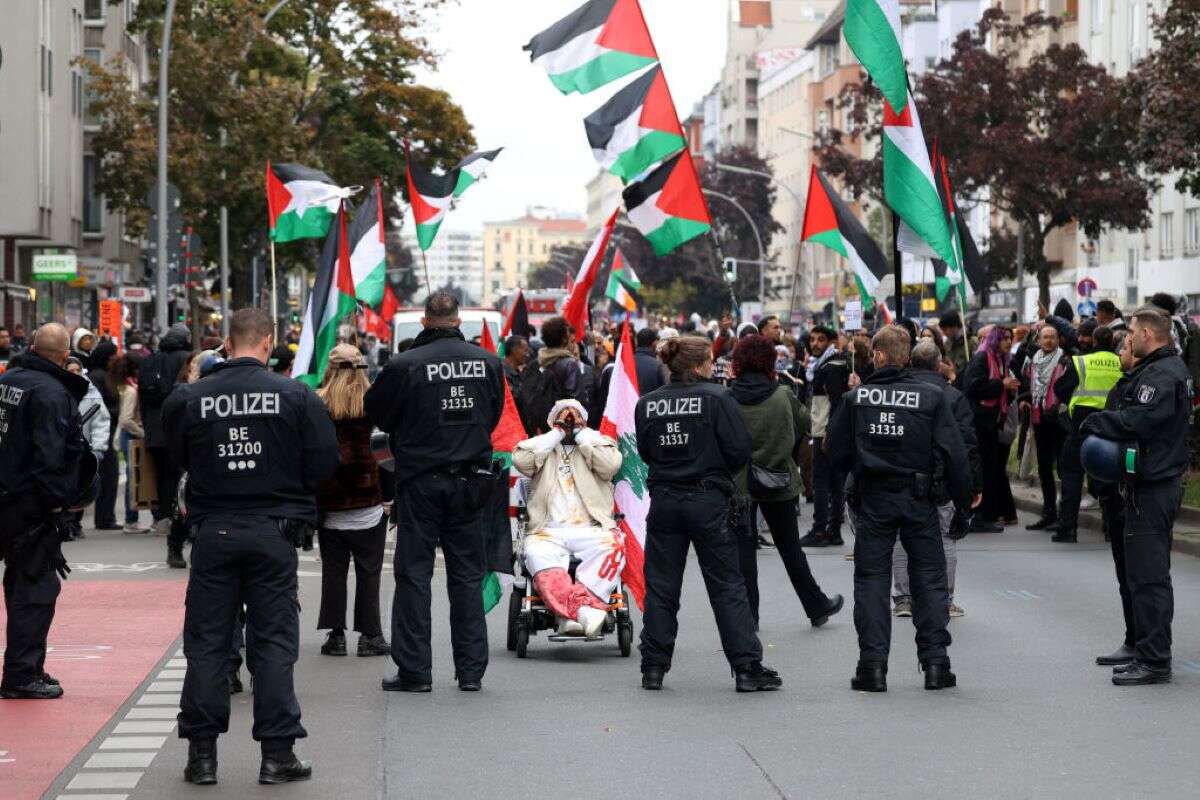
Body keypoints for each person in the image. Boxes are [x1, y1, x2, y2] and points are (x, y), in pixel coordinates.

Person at [164, 308, 339, 785]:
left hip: (214, 530)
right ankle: (277, 754)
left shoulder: (192, 397)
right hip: (273, 531)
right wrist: (287, 489)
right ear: (268, 341)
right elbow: (325, 461)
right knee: (274, 643)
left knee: (207, 644)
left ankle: (202, 757)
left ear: (227, 342)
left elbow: (175, 455)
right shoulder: (295, 396)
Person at [365, 291, 504, 693]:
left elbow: (380, 415)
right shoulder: (489, 364)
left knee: (413, 576)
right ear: (459, 322)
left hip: (420, 482)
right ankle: (472, 671)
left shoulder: (404, 365)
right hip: (470, 482)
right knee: (466, 577)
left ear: (424, 322)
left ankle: (415, 671)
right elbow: (491, 417)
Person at [826, 326, 974, 692]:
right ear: (907, 357)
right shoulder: (931, 397)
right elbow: (955, 455)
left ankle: (872, 667)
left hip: (874, 500)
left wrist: (856, 476)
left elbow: (834, 451)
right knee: (929, 579)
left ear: (876, 355)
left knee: (872, 580)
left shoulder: (857, 398)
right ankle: (936, 664)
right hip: (920, 500)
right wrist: (963, 506)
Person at [634, 335, 781, 693]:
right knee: (728, 585)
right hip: (707, 499)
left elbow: (646, 450)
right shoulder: (718, 398)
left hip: (665, 499)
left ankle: (653, 666)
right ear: (701, 365)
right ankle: (746, 667)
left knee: (662, 587)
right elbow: (739, 449)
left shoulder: (648, 403)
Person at [1081, 307, 1194, 686]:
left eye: (1131, 331)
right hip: (1144, 483)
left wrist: (1095, 422)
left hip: (1156, 484)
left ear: (1147, 333)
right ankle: (1142, 647)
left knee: (1149, 577)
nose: (1127, 337)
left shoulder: (1163, 374)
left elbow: (1137, 421)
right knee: (1138, 574)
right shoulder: (1157, 369)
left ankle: (1154, 659)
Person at [0, 323, 91, 700]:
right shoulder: (52, 394)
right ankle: (22, 674)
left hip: (7, 496)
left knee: (21, 584)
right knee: (36, 588)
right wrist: (58, 506)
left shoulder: (10, 380)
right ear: (63, 356)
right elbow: (49, 458)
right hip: (28, 505)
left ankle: (27, 666)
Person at [729, 335, 843, 629]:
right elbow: (809, 424)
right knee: (791, 549)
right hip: (778, 480)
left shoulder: (726, 399)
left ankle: (748, 617)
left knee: (743, 553)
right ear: (770, 361)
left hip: (738, 484)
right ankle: (815, 605)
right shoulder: (782, 395)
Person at [512, 399, 623, 638]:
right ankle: (582, 612)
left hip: (592, 529)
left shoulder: (597, 443)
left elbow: (610, 466)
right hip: (547, 532)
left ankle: (569, 613)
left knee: (614, 547)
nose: (570, 420)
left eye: (574, 416)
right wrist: (557, 433)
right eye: (564, 416)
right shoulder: (541, 446)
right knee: (534, 554)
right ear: (553, 421)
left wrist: (582, 434)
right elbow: (521, 461)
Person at [893, 341, 981, 620]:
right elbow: (966, 446)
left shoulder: (897, 393)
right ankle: (945, 598)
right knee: (946, 538)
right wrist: (972, 485)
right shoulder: (953, 396)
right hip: (941, 480)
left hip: (903, 478)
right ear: (938, 364)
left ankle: (904, 599)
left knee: (901, 538)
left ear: (910, 362)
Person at [315, 345, 390, 658]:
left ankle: (336, 636)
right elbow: (387, 452)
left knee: (333, 572)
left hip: (330, 503)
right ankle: (370, 635)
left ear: (331, 369)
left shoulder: (317, 403)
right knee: (369, 572)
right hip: (369, 502)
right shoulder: (375, 402)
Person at [1052, 326, 1122, 543]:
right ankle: (1112, 529)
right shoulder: (1122, 362)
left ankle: (1067, 530)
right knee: (1109, 479)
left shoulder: (1081, 361)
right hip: (1111, 427)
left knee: (1072, 476)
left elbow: (1060, 389)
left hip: (1081, 426)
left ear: (1093, 341)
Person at [137, 323, 192, 539]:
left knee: (160, 474)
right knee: (178, 475)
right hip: (176, 429)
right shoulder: (185, 359)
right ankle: (176, 517)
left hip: (153, 430)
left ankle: (160, 517)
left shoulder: (150, 360)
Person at [962, 325, 1018, 531]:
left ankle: (986, 515)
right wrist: (1001, 385)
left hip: (992, 423)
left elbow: (1000, 391)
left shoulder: (1001, 361)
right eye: (1004, 338)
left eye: (1010, 338)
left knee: (991, 471)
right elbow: (973, 387)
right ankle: (979, 516)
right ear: (994, 340)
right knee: (982, 471)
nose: (1009, 342)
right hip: (979, 423)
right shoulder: (982, 358)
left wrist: (1009, 389)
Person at [800, 325, 849, 547]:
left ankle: (820, 530)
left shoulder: (832, 366)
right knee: (835, 481)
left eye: (820, 340)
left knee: (822, 482)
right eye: (812, 340)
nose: (815, 344)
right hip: (825, 429)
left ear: (830, 342)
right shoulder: (822, 364)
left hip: (826, 431)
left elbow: (836, 402)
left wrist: (829, 433)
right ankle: (833, 531)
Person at [1018, 324, 1069, 531]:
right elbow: (1030, 385)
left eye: (1053, 337)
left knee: (1063, 469)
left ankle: (1064, 515)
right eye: (1045, 337)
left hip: (1058, 419)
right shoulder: (1034, 361)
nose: (1048, 341)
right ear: (1038, 340)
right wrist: (1025, 399)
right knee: (1044, 467)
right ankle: (1049, 513)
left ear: (1058, 340)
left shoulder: (1065, 360)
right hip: (1039, 418)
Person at [518, 315, 594, 435]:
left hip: (539, 432)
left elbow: (525, 397)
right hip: (561, 434)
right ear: (564, 339)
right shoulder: (570, 365)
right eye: (570, 337)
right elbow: (573, 403)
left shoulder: (535, 363)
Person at [64, 356, 110, 540]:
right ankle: (65, 523)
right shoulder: (58, 390)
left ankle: (76, 522)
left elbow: (101, 421)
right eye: (70, 370)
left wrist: (98, 448)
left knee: (83, 485)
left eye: (77, 370)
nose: (74, 374)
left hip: (85, 447)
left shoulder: (91, 392)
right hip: (65, 448)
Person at [110, 354, 149, 533]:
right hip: (131, 434)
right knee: (132, 477)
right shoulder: (132, 390)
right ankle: (130, 520)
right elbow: (126, 419)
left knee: (133, 476)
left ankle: (131, 519)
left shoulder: (127, 386)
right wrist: (142, 432)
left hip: (128, 434)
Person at [87, 341, 121, 531]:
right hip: (104, 432)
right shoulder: (99, 377)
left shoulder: (99, 375)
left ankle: (106, 517)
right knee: (109, 476)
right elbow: (100, 408)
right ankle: (105, 518)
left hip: (107, 431)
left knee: (108, 476)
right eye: (111, 357)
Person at [938, 311, 969, 377]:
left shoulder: (970, 342)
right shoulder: (947, 343)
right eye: (942, 330)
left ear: (955, 326)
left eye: (945, 329)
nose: (944, 333)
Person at [502, 334, 530, 400]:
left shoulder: (519, 372)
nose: (527, 355)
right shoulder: (502, 373)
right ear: (514, 350)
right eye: (525, 350)